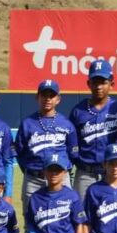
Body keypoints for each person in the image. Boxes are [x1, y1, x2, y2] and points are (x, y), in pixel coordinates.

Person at [65, 59, 117, 233]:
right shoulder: (79, 111)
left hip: (113, 174)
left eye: (104, 81)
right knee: (81, 222)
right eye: (95, 81)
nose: (99, 85)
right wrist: (82, 161)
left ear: (112, 83)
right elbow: (73, 146)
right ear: (88, 82)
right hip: (87, 174)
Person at [15, 79, 78, 209]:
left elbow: (73, 153)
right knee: (31, 218)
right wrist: (31, 169)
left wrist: (63, 171)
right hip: (34, 179)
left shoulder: (66, 124)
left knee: (63, 217)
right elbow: (20, 152)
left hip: (60, 177)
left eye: (52, 95)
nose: (48, 99)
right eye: (44, 95)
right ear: (37, 97)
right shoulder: (27, 123)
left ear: (58, 99)